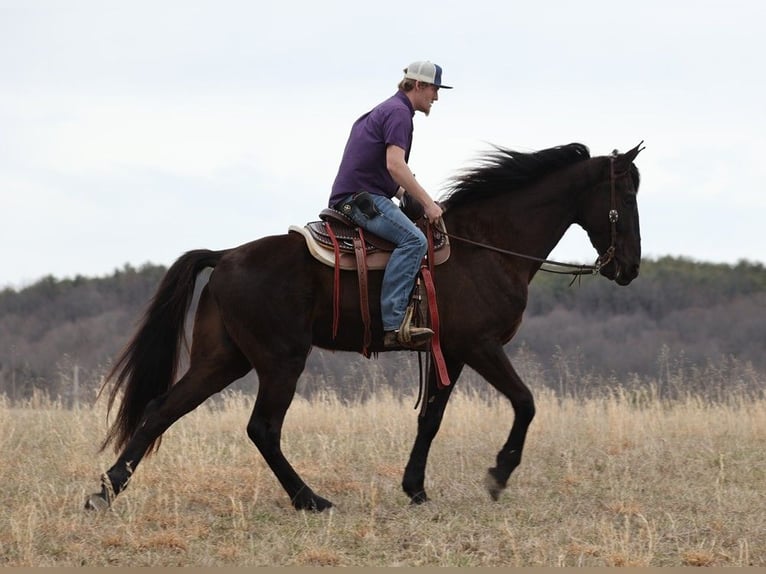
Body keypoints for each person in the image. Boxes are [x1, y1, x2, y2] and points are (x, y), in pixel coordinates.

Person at [328, 61, 451, 351]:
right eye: (434, 89)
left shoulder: (386, 110)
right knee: (414, 240)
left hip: (362, 193)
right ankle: (394, 325)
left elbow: (378, 169)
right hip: (360, 200)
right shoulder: (399, 114)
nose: (436, 97)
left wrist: (403, 194)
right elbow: (395, 165)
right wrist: (428, 203)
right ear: (418, 86)